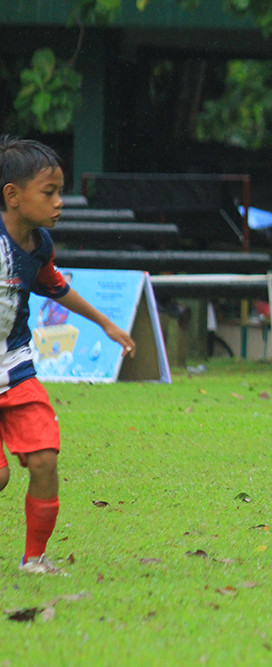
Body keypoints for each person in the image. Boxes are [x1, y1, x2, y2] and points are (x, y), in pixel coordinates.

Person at [0, 136, 136, 575]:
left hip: (15, 367)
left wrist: (107, 323)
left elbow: (55, 285)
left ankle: (35, 559)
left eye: (60, 192)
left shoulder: (37, 246)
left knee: (44, 459)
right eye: (50, 192)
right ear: (13, 196)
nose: (60, 202)